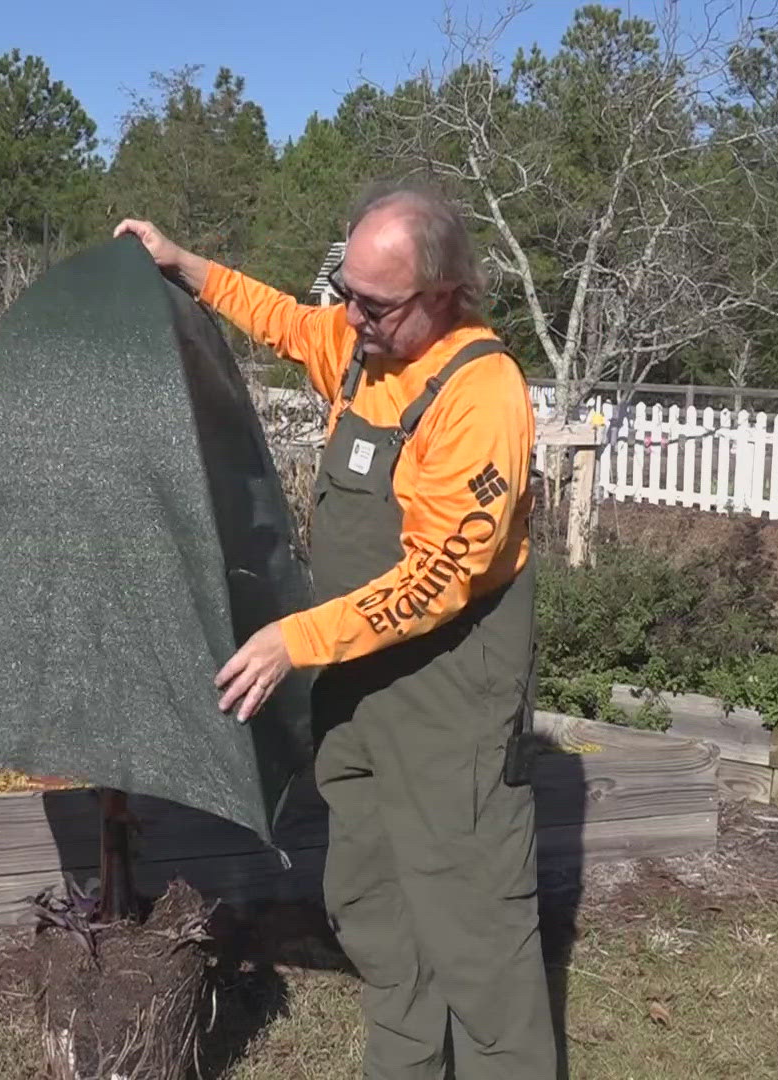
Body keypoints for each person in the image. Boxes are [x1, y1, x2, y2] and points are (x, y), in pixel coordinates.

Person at [116, 181, 555, 1079]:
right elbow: (281, 319)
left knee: (476, 939)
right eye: (346, 291)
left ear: (440, 293)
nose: (349, 315)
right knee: (377, 915)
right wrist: (184, 264)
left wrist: (297, 640)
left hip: (451, 708)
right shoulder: (361, 351)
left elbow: (443, 576)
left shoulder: (481, 393)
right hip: (362, 699)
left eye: (374, 303)